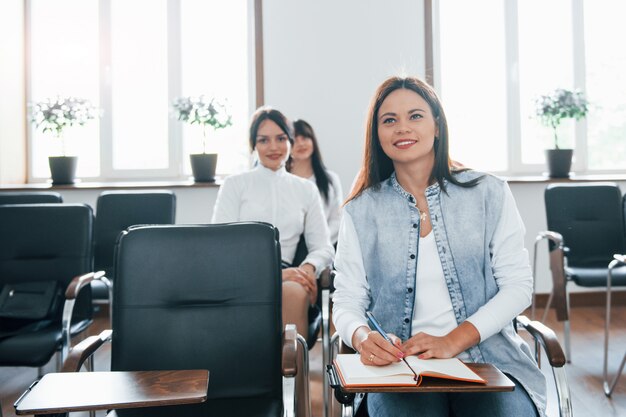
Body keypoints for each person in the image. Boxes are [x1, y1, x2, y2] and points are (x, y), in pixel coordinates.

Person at [332, 76, 546, 417]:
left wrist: (453, 341)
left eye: (415, 116)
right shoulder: (360, 211)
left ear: (437, 126)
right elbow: (346, 301)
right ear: (377, 135)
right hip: (400, 369)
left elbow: (518, 287)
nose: (402, 128)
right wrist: (360, 337)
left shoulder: (489, 193)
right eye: (389, 120)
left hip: (489, 361)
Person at [212, 107, 334, 337]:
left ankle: (290, 373)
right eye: (264, 140)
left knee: (294, 292)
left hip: (290, 273)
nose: (274, 147)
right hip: (242, 273)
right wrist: (272, 275)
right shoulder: (235, 184)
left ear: (290, 141)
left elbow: (324, 247)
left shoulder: (306, 189)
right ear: (253, 145)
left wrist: (308, 269)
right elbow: (220, 245)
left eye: (281, 139)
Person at [288, 119, 343, 245]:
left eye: (305, 137)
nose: (301, 143)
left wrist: (319, 241)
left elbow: (337, 218)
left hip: (325, 247)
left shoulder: (330, 179)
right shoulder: (284, 181)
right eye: (295, 139)